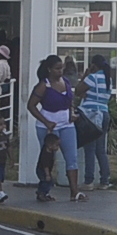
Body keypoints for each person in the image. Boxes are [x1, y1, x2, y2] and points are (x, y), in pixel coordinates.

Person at [26, 56, 82, 202]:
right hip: (48, 126)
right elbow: (31, 105)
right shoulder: (44, 85)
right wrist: (46, 122)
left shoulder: (67, 82)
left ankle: (74, 192)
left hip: (67, 124)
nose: (60, 71)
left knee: (72, 158)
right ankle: (43, 190)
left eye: (61, 68)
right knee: (48, 159)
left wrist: (72, 113)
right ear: (49, 69)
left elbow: (70, 100)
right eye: (57, 69)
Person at [79, 53, 113, 191]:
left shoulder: (92, 77)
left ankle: (89, 181)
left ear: (93, 65)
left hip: (91, 114)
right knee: (100, 149)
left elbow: (78, 90)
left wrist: (85, 75)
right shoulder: (108, 79)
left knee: (89, 148)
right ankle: (105, 180)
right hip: (104, 112)